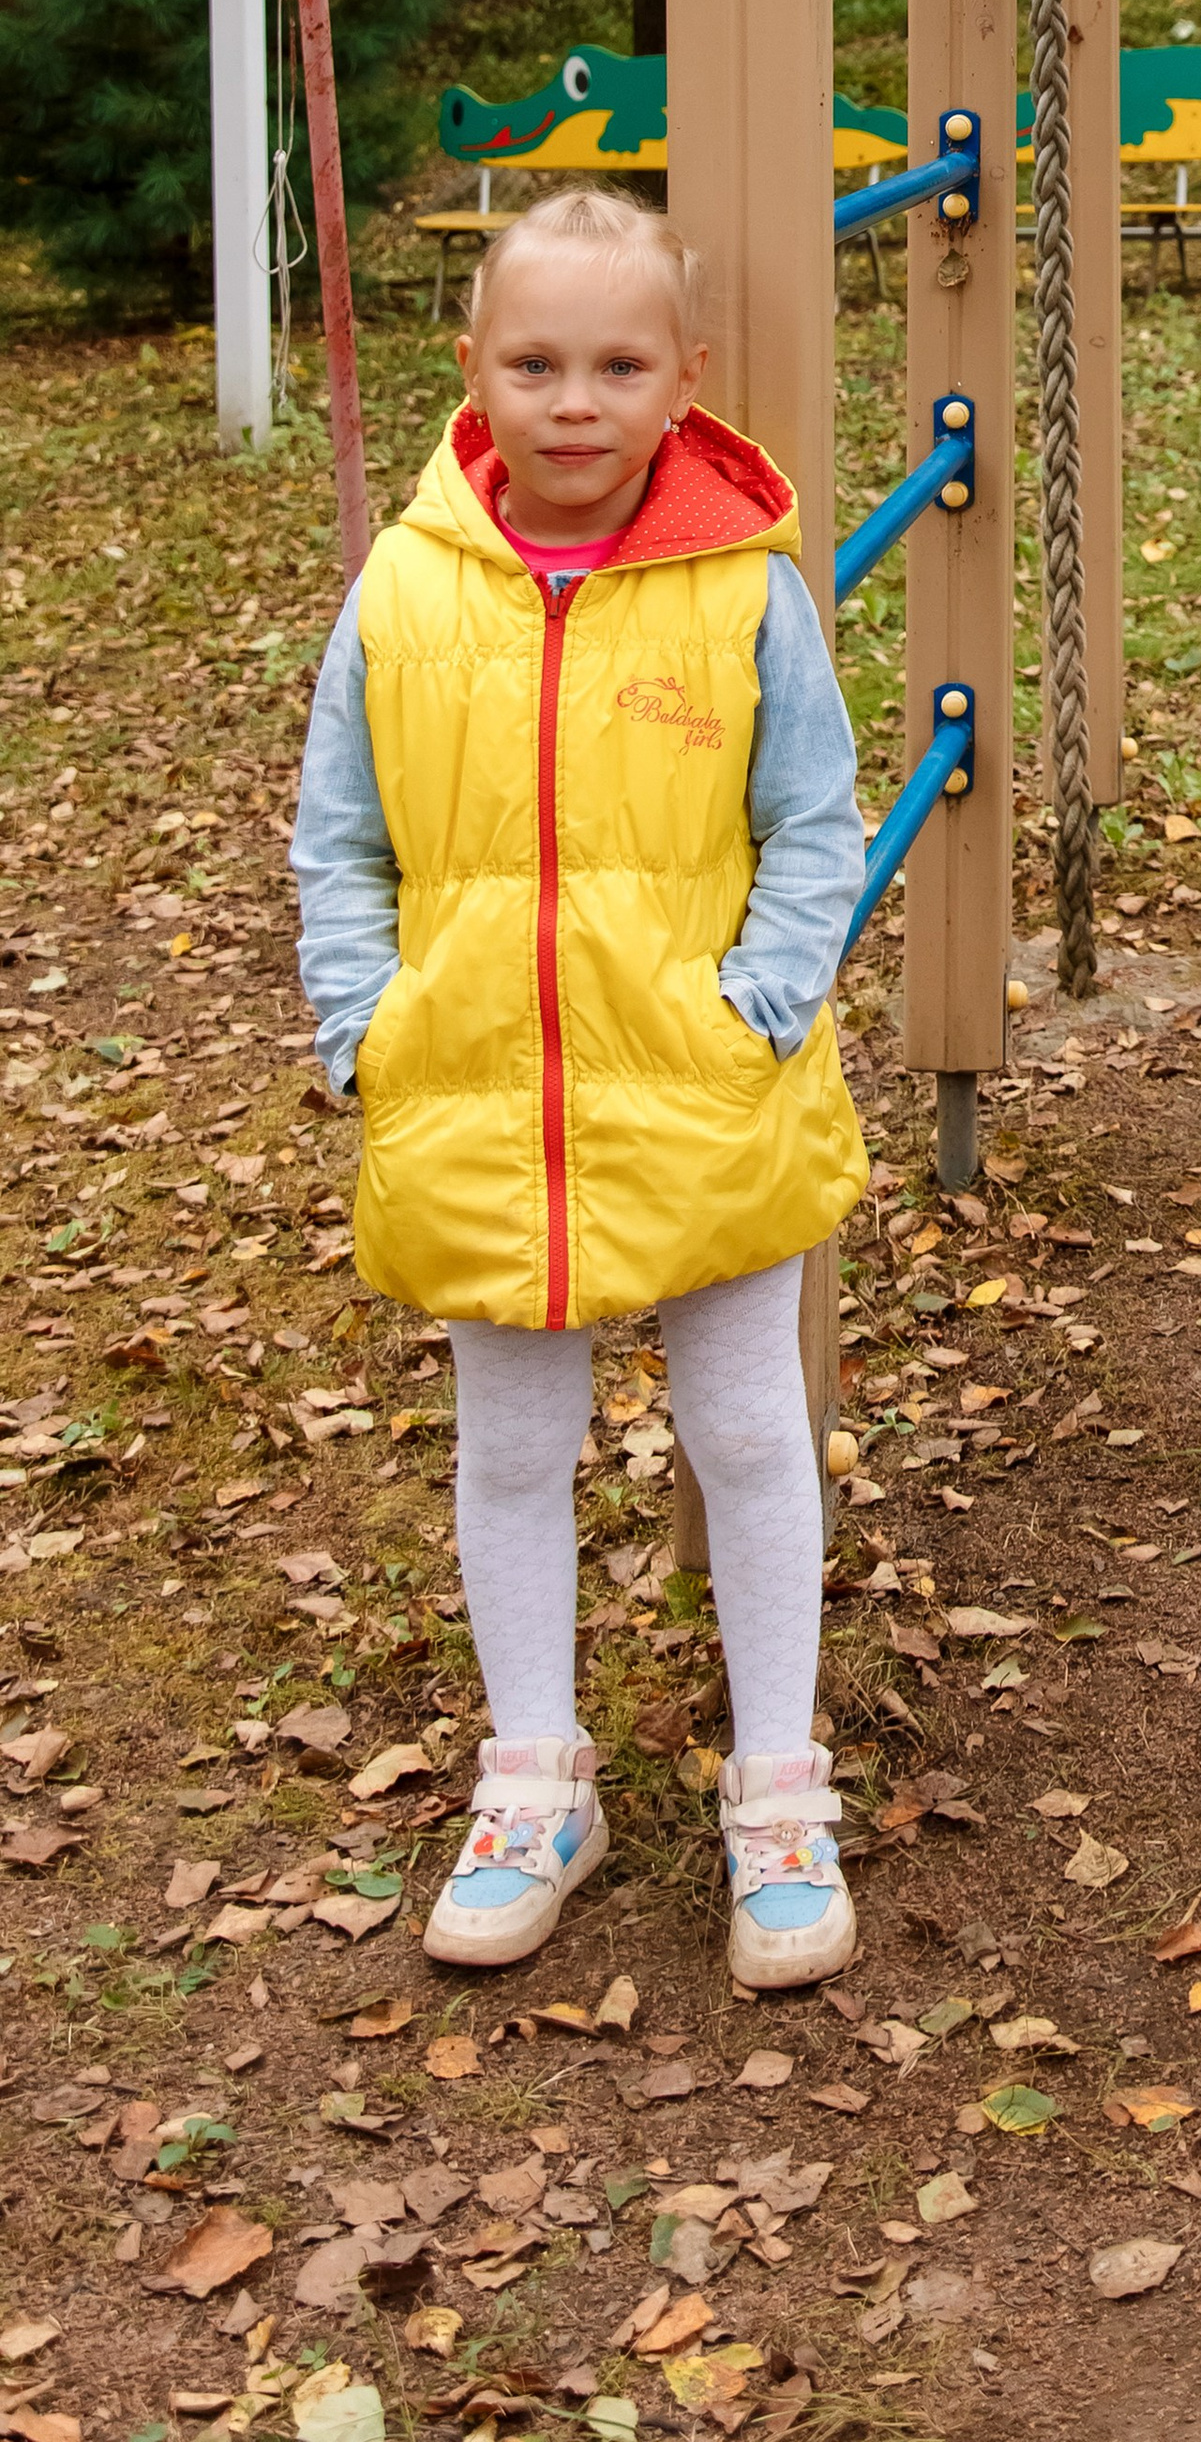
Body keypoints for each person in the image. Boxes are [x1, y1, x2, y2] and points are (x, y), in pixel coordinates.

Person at [292, 187, 869, 1982]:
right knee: (516, 1441)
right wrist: (362, 1028)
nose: (574, 401)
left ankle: (777, 1785)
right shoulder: (405, 588)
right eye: (534, 362)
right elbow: (339, 837)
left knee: (752, 1428)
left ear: (685, 380)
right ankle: (535, 1771)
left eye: (620, 364)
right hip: (474, 1096)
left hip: (700, 1090)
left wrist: (753, 1015)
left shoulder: (741, 586)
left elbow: (813, 826)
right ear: (472, 370)